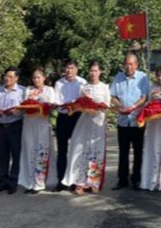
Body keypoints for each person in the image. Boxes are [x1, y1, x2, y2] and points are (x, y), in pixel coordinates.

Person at [62, 61, 111, 195]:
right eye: (91, 71)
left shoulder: (104, 88)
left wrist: (96, 106)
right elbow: (78, 104)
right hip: (85, 121)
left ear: (100, 72)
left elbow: (106, 105)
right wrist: (82, 104)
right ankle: (80, 182)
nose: (93, 73)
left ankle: (94, 182)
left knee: (96, 150)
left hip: (98, 121)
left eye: (95, 71)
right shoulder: (84, 87)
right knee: (81, 150)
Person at [111, 52, 149, 191]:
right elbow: (113, 96)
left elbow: (144, 97)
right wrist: (119, 104)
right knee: (123, 151)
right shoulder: (118, 77)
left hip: (136, 120)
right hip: (122, 120)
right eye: (126, 64)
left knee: (138, 151)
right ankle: (122, 179)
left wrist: (134, 106)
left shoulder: (142, 77)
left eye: (131, 64)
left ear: (136, 65)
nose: (128, 67)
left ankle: (136, 179)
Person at [18, 68, 57, 194]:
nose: (36, 80)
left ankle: (39, 182)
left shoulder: (49, 90)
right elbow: (23, 105)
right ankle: (29, 182)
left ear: (44, 78)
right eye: (34, 77)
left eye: (38, 77)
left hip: (42, 124)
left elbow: (52, 105)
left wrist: (43, 106)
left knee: (41, 151)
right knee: (29, 150)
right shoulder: (28, 90)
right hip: (29, 123)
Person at [0, 66, 25, 195]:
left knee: (16, 155)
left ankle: (13, 182)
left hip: (16, 125)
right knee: (2, 155)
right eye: (6, 76)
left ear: (16, 78)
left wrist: (16, 112)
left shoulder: (22, 91)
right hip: (1, 125)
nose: (7, 78)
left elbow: (25, 108)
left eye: (11, 76)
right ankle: (2, 182)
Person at [53, 59, 87, 192]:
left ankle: (75, 180)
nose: (69, 71)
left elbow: (84, 101)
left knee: (76, 149)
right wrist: (60, 104)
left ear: (76, 69)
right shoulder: (59, 83)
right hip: (62, 116)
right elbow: (56, 99)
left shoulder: (82, 82)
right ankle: (61, 180)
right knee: (62, 150)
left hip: (76, 117)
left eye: (72, 68)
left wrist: (74, 105)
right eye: (67, 68)